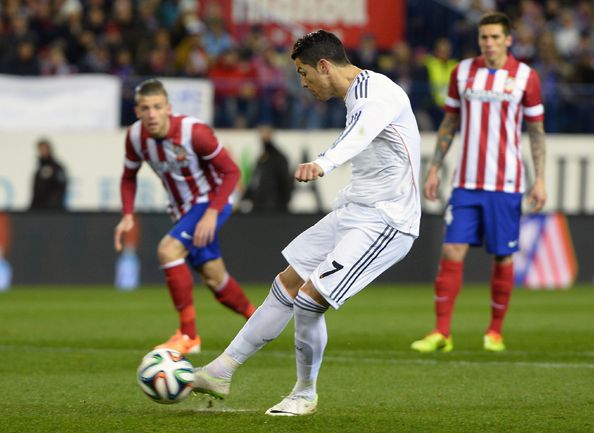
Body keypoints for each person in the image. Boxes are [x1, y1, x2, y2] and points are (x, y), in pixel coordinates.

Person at [192, 30, 421, 416]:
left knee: (310, 300)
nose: (302, 82)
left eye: (303, 72)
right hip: (355, 210)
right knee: (287, 282)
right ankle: (221, 371)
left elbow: (359, 135)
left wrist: (322, 162)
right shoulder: (358, 94)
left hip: (387, 219)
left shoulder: (376, 94)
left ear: (324, 66)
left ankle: (304, 394)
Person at [411, 12, 546, 354]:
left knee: (503, 257)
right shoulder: (462, 72)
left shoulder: (526, 77)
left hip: (506, 184)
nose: (489, 43)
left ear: (508, 40)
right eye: (484, 37)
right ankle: (442, 331)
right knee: (451, 250)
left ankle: (495, 332)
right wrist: (434, 168)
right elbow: (449, 122)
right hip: (466, 183)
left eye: (495, 37)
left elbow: (536, 131)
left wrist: (540, 179)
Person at [113, 79, 256, 355]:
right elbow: (128, 176)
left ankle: (189, 336)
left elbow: (232, 172)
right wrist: (127, 214)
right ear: (137, 111)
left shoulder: (194, 133)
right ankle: (259, 320)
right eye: (146, 108)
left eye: (157, 107)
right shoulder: (135, 137)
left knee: (168, 251)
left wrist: (212, 212)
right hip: (182, 210)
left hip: (211, 201)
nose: (152, 114)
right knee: (214, 277)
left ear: (168, 108)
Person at [240, 125, 293, 212]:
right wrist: (245, 198)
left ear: (271, 135)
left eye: (265, 133)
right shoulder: (261, 158)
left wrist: (283, 205)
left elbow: (286, 182)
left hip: (274, 207)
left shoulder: (279, 158)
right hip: (258, 206)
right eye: (261, 133)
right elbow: (254, 181)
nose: (262, 136)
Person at [30, 138, 68, 210]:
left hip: (53, 209)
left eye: (44, 149)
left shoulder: (57, 168)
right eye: (40, 150)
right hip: (38, 209)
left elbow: (61, 188)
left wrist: (54, 205)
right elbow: (36, 191)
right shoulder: (39, 170)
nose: (42, 152)